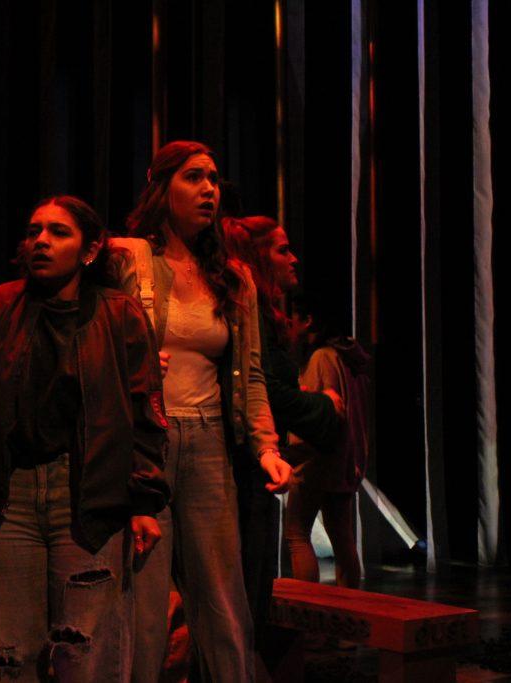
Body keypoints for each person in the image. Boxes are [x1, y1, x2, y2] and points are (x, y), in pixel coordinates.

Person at [0, 195, 170, 682]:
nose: (40, 241)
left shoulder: (121, 314)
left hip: (88, 495)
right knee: (7, 656)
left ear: (90, 250)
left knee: (84, 654)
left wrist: (144, 501)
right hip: (13, 497)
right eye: (33, 231)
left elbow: (146, 413)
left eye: (57, 232)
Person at [112, 142, 291, 682]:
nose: (209, 189)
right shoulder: (127, 258)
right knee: (143, 603)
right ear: (161, 186)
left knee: (223, 600)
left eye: (214, 179)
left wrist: (267, 447)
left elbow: (251, 375)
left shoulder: (233, 278)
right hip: (146, 445)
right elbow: (87, 342)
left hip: (210, 441)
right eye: (193, 178)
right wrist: (131, 361)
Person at [222, 216, 344, 656]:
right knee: (248, 591)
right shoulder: (250, 311)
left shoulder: (265, 315)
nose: (293, 259)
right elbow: (268, 390)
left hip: (260, 464)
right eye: (281, 250)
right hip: (247, 467)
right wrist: (325, 407)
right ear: (257, 257)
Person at [283, 296, 370, 589]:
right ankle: (349, 611)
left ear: (308, 320)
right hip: (345, 459)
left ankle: (309, 612)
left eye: (292, 318)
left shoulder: (322, 357)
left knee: (297, 533)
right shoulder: (348, 357)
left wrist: (295, 452)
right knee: (342, 536)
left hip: (318, 459)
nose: (288, 325)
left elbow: (325, 413)